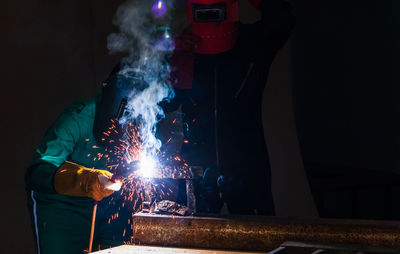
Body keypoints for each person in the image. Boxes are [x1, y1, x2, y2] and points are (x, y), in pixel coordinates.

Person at [166, 0, 295, 215]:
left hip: (246, 165)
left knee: (256, 240)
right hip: (197, 166)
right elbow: (167, 102)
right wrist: (174, 55)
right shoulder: (187, 50)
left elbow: (282, 21)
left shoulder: (252, 42)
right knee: (194, 238)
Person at [24, 66, 143, 254]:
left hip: (107, 207)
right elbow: (37, 172)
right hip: (61, 207)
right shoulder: (78, 117)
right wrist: (84, 180)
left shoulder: (143, 121)